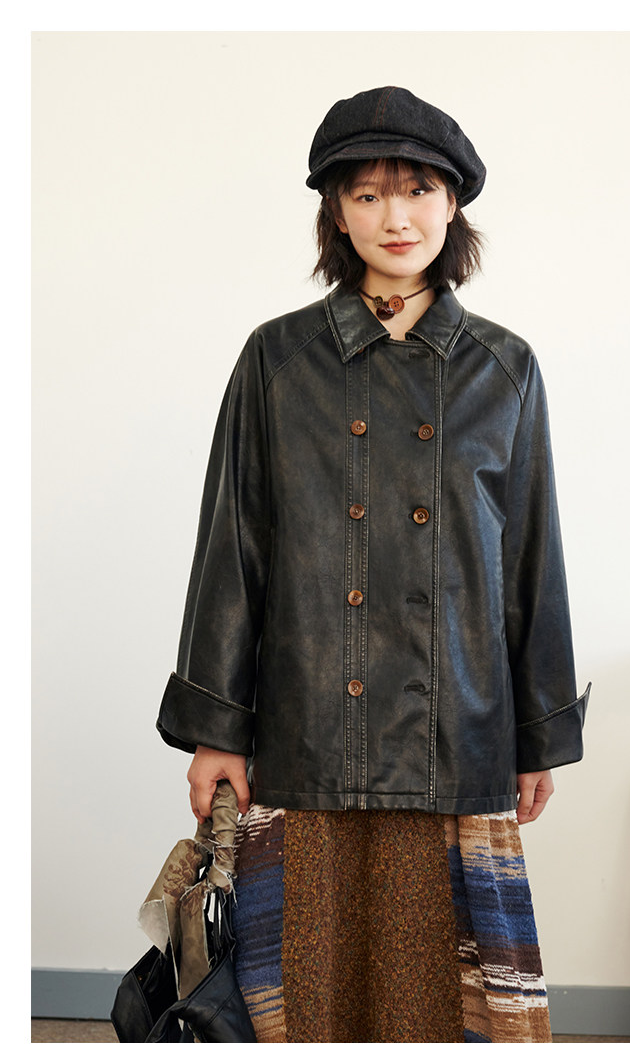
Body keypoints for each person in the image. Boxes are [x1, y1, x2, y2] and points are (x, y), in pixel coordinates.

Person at [156, 85, 590, 1043]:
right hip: (309, 729)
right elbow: (232, 548)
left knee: (445, 1001)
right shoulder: (276, 360)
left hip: (457, 734)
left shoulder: (505, 368)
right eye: (368, 194)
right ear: (336, 212)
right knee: (304, 994)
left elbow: (532, 559)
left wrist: (537, 731)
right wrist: (217, 729)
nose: (397, 216)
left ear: (453, 203)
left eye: (419, 189)